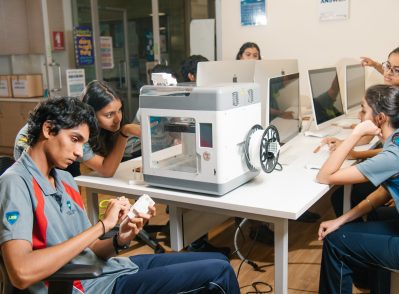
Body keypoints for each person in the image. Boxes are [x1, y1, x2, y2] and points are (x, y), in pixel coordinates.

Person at [0, 97, 240, 294]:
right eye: (74, 140)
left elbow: (92, 249)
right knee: (219, 275)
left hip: (111, 268)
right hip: (90, 285)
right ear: (48, 129)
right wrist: (103, 225)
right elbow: (21, 273)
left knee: (220, 262)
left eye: (82, 144)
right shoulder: (15, 183)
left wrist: (119, 238)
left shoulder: (64, 179)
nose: (77, 152)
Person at [317, 84, 399, 293]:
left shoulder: (392, 156)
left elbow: (325, 176)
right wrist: (341, 219)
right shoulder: (395, 140)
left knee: (335, 242)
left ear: (380, 118)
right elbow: (385, 192)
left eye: (363, 110)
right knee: (346, 228)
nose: (359, 115)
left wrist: (354, 135)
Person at [14, 80, 141, 177]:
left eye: (119, 110)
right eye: (109, 114)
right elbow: (106, 170)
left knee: (70, 182)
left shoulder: (85, 130)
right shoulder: (78, 127)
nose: (118, 119)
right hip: (29, 146)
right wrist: (124, 133)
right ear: (92, 113)